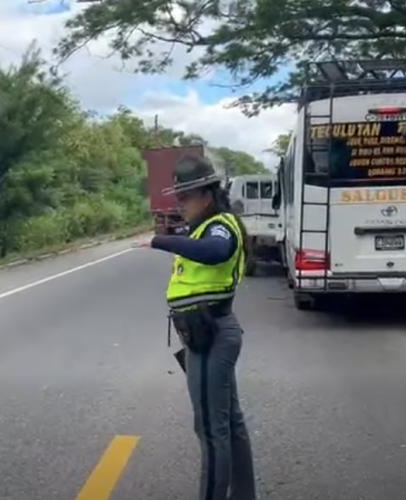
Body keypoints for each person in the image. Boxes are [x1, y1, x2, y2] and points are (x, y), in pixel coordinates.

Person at [135, 155, 256, 500]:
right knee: (229, 424)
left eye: (185, 197)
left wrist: (160, 240)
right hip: (204, 332)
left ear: (206, 194)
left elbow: (216, 252)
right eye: (178, 197)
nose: (180, 204)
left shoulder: (221, 225)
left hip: (212, 332)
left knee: (210, 428)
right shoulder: (203, 226)